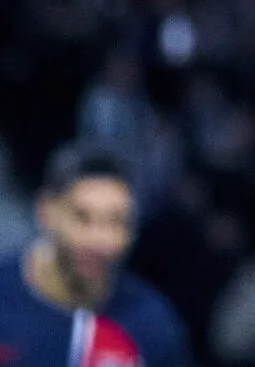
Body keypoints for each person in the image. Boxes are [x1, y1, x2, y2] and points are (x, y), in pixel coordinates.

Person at [0, 144, 189, 367]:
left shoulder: (152, 324)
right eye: (83, 218)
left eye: (116, 221)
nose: (99, 240)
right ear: (46, 212)